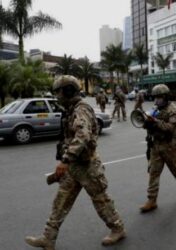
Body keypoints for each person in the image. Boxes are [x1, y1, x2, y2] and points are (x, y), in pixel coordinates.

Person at [25, 75, 125, 250]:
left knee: (101, 200)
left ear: (69, 91)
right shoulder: (71, 109)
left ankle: (117, 228)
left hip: (87, 166)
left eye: (59, 92)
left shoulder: (81, 110)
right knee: (60, 201)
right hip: (74, 167)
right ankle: (48, 238)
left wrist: (65, 160)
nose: (57, 96)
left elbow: (83, 135)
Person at [140, 84, 176, 213]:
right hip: (156, 145)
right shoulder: (154, 109)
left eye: (160, 97)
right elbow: (148, 125)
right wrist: (146, 123)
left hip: (170, 146)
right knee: (153, 172)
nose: (157, 100)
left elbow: (170, 128)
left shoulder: (174, 111)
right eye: (155, 98)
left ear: (166, 97)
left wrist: (155, 122)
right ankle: (152, 200)